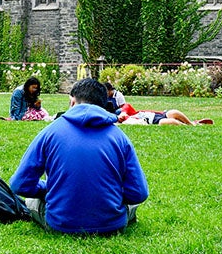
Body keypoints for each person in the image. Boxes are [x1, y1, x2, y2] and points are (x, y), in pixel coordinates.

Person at [9, 78, 149, 235]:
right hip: (112, 225)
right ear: (103, 105)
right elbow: (139, 193)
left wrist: (47, 188)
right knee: (131, 206)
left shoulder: (50, 132)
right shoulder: (120, 137)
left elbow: (19, 184)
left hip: (60, 224)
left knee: (31, 201)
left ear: (72, 101)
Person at [115, 101, 196, 126]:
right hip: (155, 121)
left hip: (160, 114)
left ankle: (191, 124)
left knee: (173, 112)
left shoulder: (132, 113)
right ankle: (184, 125)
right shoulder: (128, 122)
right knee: (169, 121)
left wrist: (123, 112)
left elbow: (127, 105)